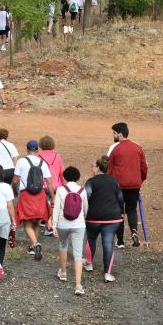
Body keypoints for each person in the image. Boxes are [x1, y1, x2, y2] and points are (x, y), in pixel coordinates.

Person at [12, 140, 55, 261]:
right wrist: (53, 198)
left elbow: (15, 180)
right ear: (37, 151)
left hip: (26, 194)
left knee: (27, 222)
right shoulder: (42, 162)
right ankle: (32, 247)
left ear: (27, 149)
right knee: (36, 221)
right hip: (40, 195)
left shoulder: (21, 161)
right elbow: (49, 183)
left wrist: (15, 191)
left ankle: (35, 244)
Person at [108, 122, 148, 248]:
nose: (113, 135)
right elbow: (144, 167)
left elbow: (108, 167)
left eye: (114, 133)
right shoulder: (138, 147)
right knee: (131, 209)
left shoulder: (114, 147)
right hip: (134, 184)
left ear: (119, 134)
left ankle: (120, 241)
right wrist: (140, 180)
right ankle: (134, 232)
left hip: (118, 185)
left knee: (119, 212)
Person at [84, 155, 124, 283]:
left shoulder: (90, 182)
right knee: (108, 243)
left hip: (93, 217)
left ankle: (89, 264)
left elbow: (87, 196)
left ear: (98, 168)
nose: (91, 168)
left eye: (93, 166)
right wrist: (122, 212)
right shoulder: (114, 181)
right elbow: (120, 198)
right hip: (112, 218)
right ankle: (107, 273)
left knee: (91, 239)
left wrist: (84, 211)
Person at [52, 166, 88, 295]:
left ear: (65, 177)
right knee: (78, 254)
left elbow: (56, 209)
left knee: (63, 245)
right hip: (79, 224)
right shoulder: (82, 190)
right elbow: (85, 209)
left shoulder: (61, 189)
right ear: (77, 177)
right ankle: (78, 285)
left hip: (63, 223)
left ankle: (63, 272)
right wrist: (83, 219)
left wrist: (54, 225)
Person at [38, 135, 65, 236]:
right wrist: (64, 184)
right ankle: (50, 224)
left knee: (45, 204)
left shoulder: (38, 156)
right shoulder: (57, 155)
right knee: (54, 205)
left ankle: (46, 223)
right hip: (57, 185)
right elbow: (62, 172)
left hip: (43, 185)